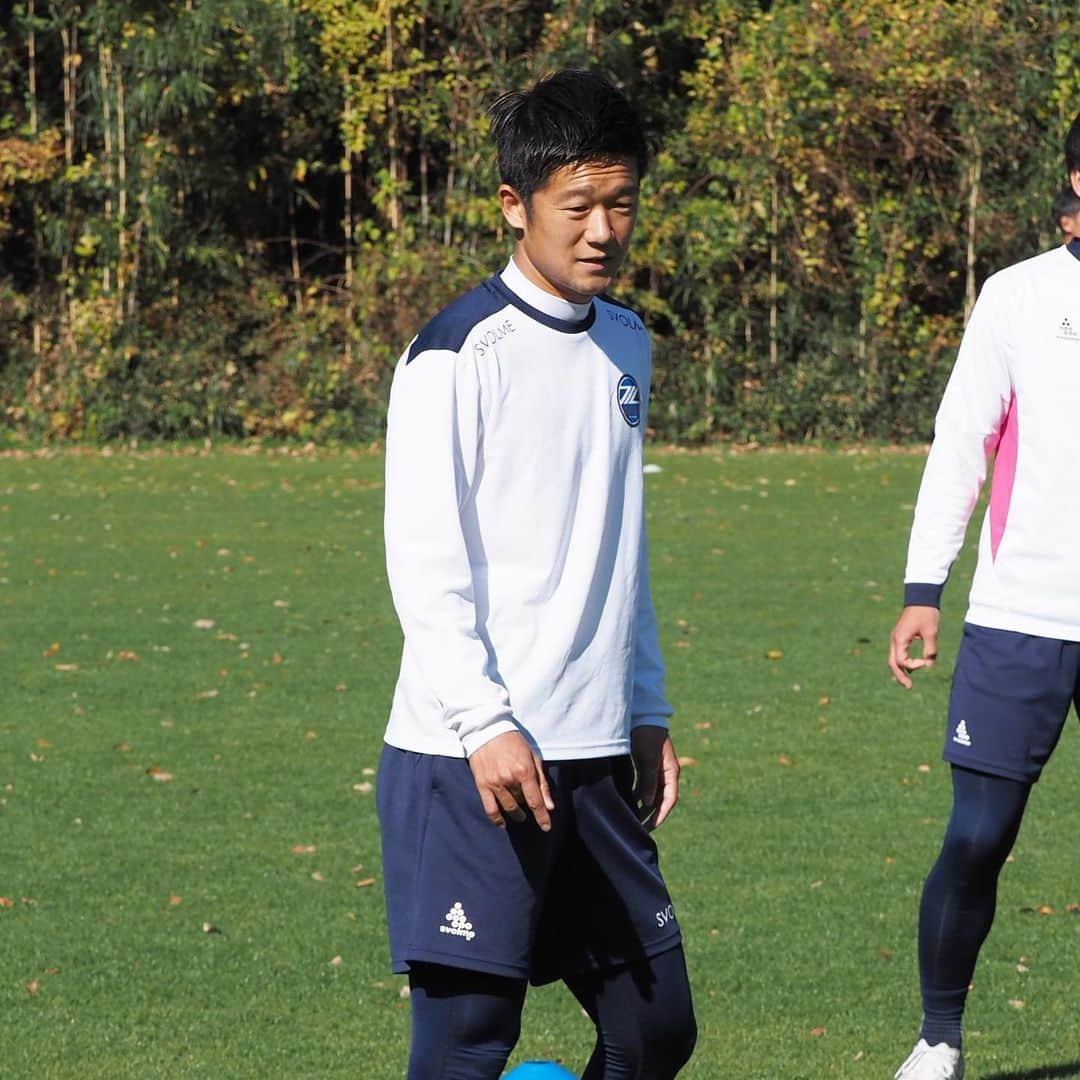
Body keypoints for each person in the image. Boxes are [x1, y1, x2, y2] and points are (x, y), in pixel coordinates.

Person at [376, 69, 697, 1080]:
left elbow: (622, 546)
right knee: (468, 1046)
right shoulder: (457, 355)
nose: (604, 229)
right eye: (579, 206)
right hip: (471, 758)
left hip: (596, 753)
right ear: (515, 206)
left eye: (623, 203)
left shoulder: (628, 344)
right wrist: (485, 723)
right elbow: (424, 560)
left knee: (656, 1029)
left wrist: (644, 706)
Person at [888, 112, 1080, 1080]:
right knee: (979, 835)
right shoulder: (1016, 298)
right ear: (1077, 190)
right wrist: (927, 585)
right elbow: (961, 442)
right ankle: (938, 1039)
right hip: (1024, 617)